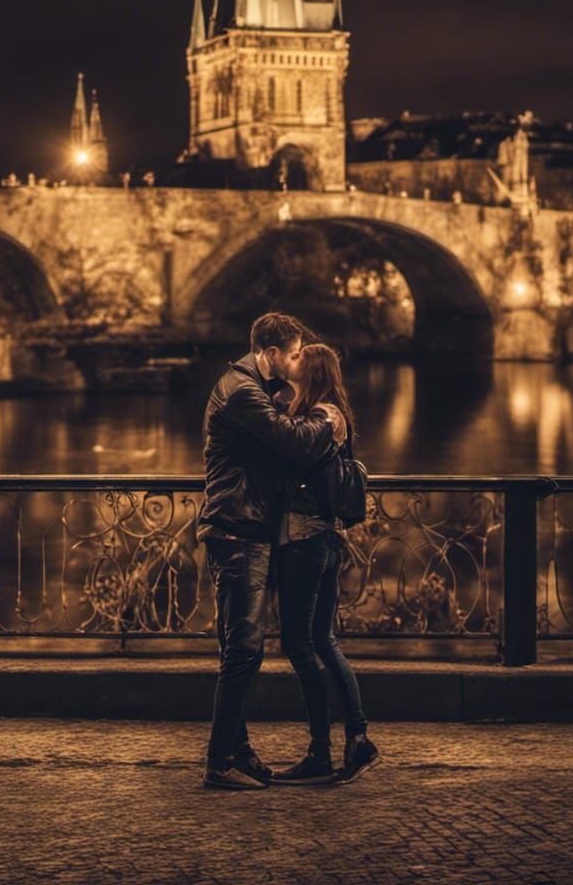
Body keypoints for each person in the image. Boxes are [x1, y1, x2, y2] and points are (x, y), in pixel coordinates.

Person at [199, 313, 346, 790]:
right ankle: (221, 761)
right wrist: (327, 416)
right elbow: (296, 444)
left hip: (246, 527)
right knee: (243, 650)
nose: (301, 359)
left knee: (239, 650)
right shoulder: (242, 391)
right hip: (238, 529)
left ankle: (239, 754)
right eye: (297, 352)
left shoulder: (253, 390)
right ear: (273, 353)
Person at [271, 343, 381, 786]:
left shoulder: (323, 417)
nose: (288, 362)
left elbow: (294, 453)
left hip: (306, 539)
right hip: (320, 539)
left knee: (300, 643)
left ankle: (322, 749)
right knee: (320, 639)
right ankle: (356, 738)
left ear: (312, 370)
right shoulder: (322, 413)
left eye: (296, 359)